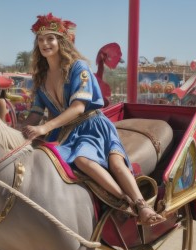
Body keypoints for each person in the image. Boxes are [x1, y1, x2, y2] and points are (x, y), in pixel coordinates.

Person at [20, 13, 162, 226]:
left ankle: (138, 205)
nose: (45, 44)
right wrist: (16, 128)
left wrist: (44, 128)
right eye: (41, 40)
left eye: (50, 38)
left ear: (61, 41)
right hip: (64, 132)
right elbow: (36, 114)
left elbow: (78, 107)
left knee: (98, 161)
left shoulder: (78, 68)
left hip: (91, 126)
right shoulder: (40, 79)